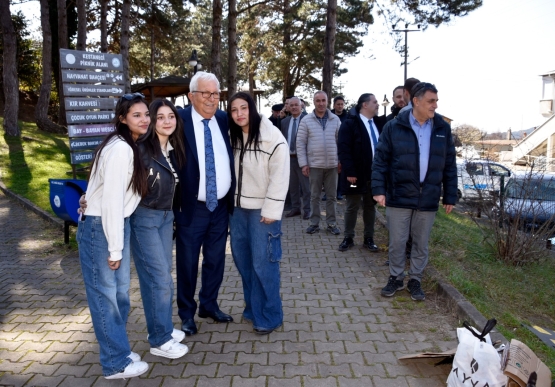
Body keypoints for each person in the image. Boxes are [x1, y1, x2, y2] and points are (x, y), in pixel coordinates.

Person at [76, 93, 150, 379]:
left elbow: (99, 185)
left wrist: (85, 196)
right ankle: (115, 363)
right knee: (106, 298)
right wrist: (115, 250)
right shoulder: (120, 148)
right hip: (103, 227)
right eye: (136, 115)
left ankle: (117, 349)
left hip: (109, 224)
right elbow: (111, 202)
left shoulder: (122, 144)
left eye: (146, 114)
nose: (144, 120)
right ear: (122, 118)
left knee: (119, 297)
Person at [372, 82, 457, 301]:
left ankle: (415, 280)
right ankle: (396, 277)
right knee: (398, 241)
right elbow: (380, 160)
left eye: (436, 101)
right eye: (431, 101)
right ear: (416, 101)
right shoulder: (393, 126)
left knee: (421, 242)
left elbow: (449, 164)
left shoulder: (442, 128)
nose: (435, 106)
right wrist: (379, 189)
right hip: (399, 194)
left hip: (427, 196)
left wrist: (450, 195)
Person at [175, 72, 236, 336]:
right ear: (191, 96)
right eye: (206, 94)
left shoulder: (223, 119)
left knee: (215, 260)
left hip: (220, 207)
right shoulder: (179, 121)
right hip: (192, 208)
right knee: (187, 264)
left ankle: (208, 305)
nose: (212, 99)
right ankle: (187, 314)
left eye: (216, 94)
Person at [227, 92, 289, 334]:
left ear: (252, 108)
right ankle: (253, 308)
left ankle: (270, 316)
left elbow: (280, 177)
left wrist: (272, 209)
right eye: (234, 110)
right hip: (237, 210)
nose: (239, 114)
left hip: (262, 212)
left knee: (264, 264)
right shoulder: (232, 136)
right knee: (244, 262)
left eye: (244, 108)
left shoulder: (272, 138)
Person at [131, 99, 188, 359]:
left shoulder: (172, 148)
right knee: (159, 279)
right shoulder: (141, 149)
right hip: (145, 218)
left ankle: (161, 327)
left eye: (171, 116)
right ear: (151, 121)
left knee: (162, 276)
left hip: (165, 217)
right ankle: (160, 340)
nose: (167, 121)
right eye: (160, 117)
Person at [338, 93, 385, 253]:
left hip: (374, 174)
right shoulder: (350, 124)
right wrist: (349, 171)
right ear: (365, 105)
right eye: (375, 102)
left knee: (370, 207)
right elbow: (344, 149)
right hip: (355, 175)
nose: (377, 104)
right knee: (352, 206)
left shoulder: (378, 123)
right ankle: (348, 237)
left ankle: (368, 239)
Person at [296, 91, 342, 235]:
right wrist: (304, 163)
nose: (321, 103)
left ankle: (331, 224)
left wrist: (340, 161)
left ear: (327, 102)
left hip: (333, 166)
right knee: (314, 196)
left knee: (332, 197)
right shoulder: (306, 120)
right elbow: (300, 143)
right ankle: (314, 223)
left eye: (323, 100)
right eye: (318, 101)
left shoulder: (335, 119)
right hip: (314, 165)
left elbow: (341, 142)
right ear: (314, 102)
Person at [280, 96, 310, 219]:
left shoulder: (308, 120)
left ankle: (308, 210)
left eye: (296, 105)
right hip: (289, 159)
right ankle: (295, 208)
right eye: (291, 105)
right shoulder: (284, 122)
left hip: (303, 159)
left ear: (301, 106)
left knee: (306, 187)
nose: (293, 107)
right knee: (292, 186)